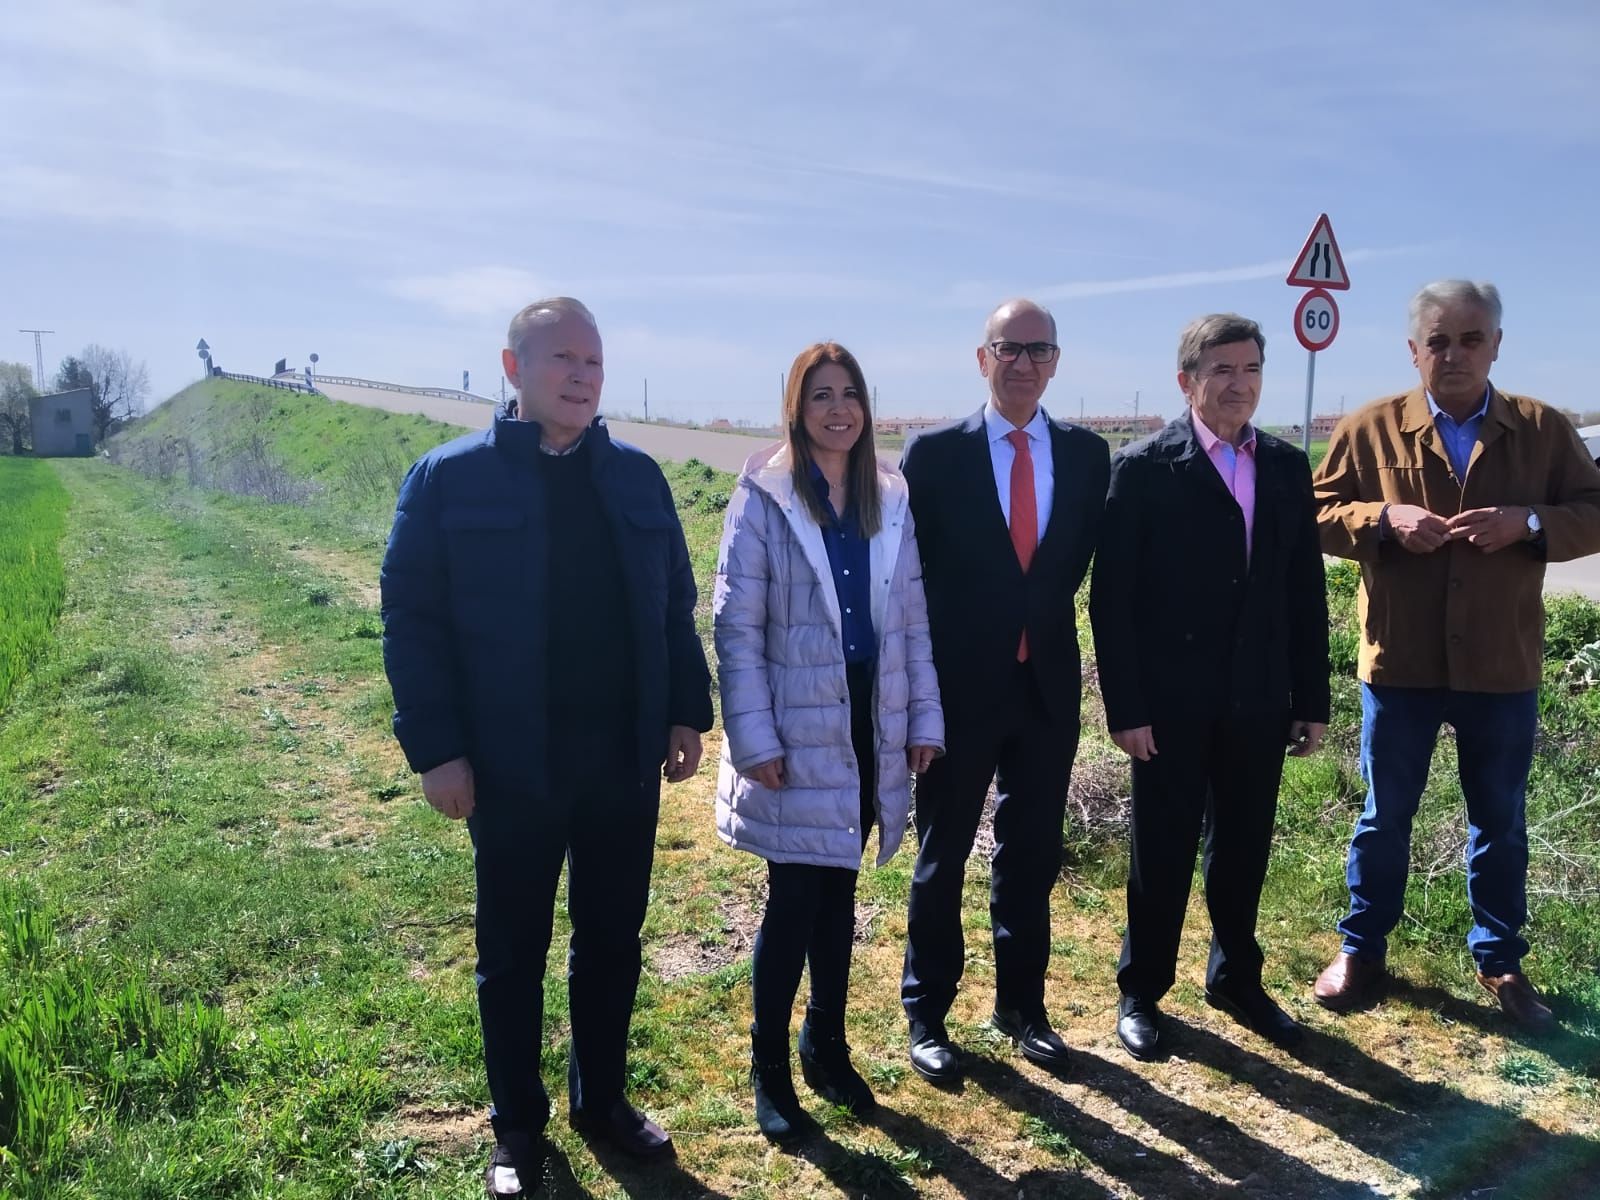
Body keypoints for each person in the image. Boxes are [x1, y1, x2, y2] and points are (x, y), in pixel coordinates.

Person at [379, 297, 713, 1196]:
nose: (581, 377)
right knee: (513, 951)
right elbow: (410, 620)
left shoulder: (638, 479)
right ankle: (517, 1131)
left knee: (612, 938)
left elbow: (673, 605)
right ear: (512, 367)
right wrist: (437, 750)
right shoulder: (447, 481)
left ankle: (601, 1101)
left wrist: (686, 711)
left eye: (595, 363)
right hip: (510, 762)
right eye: (563, 359)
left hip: (620, 759)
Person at [1312, 280, 1600, 1032]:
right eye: (1439, 340)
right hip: (1400, 664)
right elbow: (1313, 512)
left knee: (1500, 820)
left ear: (1497, 345)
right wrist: (1382, 518)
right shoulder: (1370, 427)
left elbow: (1594, 511)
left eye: (1472, 339)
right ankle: (1362, 947)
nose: (1455, 354)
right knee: (1383, 817)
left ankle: (1500, 958)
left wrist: (1529, 521)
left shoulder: (1542, 428)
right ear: (1415, 350)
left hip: (1501, 667)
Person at [713, 342, 943, 1139]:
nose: (838, 409)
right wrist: (752, 736)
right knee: (796, 896)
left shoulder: (889, 495)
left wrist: (923, 721)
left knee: (839, 894)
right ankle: (769, 1068)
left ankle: (826, 1042)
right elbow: (735, 627)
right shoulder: (765, 494)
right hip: (794, 721)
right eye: (821, 396)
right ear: (796, 408)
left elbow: (910, 620)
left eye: (849, 394)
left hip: (866, 717)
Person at [1090, 314, 1330, 1061]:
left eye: (1251, 368)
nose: (1239, 383)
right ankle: (1142, 989)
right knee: (1160, 850)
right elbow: (1112, 600)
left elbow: (1304, 589)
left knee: (1244, 846)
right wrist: (1125, 708)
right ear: (1187, 379)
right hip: (1170, 703)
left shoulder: (1288, 467)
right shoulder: (1144, 468)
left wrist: (1310, 700)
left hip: (1258, 695)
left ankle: (1235, 978)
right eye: (1221, 369)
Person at [899, 299, 1109, 1082]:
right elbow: (907, 583)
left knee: (1032, 853)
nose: (1023, 363)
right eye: (1008, 348)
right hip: (959, 690)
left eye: (1038, 350)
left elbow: (1092, 572)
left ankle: (1023, 1005)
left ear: (1056, 362)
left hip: (1047, 687)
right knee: (942, 852)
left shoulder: (1088, 458)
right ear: (981, 359)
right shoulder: (935, 456)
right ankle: (928, 1012)